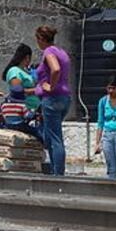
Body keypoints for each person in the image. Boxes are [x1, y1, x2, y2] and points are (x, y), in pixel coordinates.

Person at [34, 25, 72, 176]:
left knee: (55, 138)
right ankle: (53, 169)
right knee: (49, 136)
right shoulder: (61, 51)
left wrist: (51, 86)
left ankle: (58, 175)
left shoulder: (48, 52)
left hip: (52, 98)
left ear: (41, 39)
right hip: (65, 98)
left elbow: (55, 69)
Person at [2, 43, 41, 115]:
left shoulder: (27, 71)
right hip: (23, 111)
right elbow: (17, 91)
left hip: (34, 109)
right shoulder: (14, 71)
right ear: (27, 57)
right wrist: (38, 90)